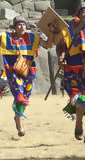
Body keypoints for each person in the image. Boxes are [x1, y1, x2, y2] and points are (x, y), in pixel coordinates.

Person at [0, 8, 54, 136]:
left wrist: (51, 32)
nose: (22, 26)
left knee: (24, 98)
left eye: (24, 24)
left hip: (28, 73)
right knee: (19, 97)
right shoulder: (8, 36)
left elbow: (48, 45)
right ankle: (20, 126)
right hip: (13, 72)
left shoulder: (32, 37)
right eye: (19, 24)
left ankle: (17, 116)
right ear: (14, 27)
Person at [58, 2, 85, 141]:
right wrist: (61, 57)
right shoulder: (69, 31)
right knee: (80, 104)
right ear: (79, 14)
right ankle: (79, 124)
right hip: (75, 74)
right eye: (84, 11)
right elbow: (60, 46)